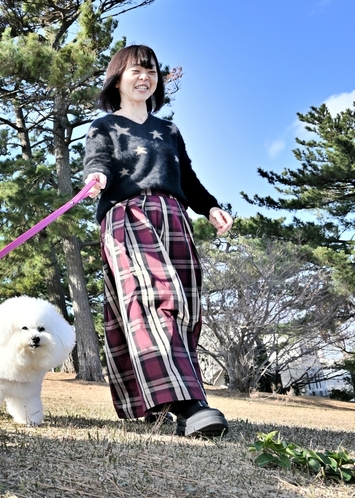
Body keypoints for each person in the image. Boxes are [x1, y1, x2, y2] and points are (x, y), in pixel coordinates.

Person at [82, 45, 234, 438]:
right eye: (136, 69)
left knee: (183, 304)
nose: (145, 77)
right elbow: (97, 161)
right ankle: (189, 403)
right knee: (152, 297)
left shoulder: (168, 130)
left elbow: (188, 178)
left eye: (151, 71)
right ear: (117, 76)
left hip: (173, 216)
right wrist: (97, 177)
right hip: (126, 215)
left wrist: (210, 207)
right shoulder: (103, 127)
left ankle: (160, 401)